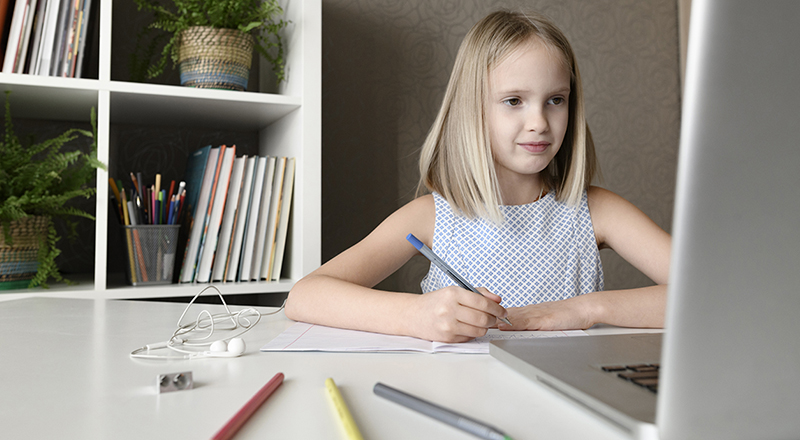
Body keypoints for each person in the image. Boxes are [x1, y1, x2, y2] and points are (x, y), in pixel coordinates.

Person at [285, 9, 671, 343]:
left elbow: (711, 291)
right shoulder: (431, 216)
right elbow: (305, 296)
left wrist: (587, 309)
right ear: (473, 109)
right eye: (513, 101)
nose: (539, 122)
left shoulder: (596, 210)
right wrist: (416, 316)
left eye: (556, 100)